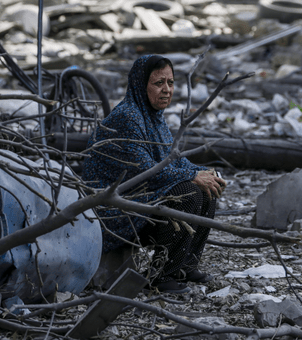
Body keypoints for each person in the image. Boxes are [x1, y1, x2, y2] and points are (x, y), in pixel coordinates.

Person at [82, 55, 226, 293]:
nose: (167, 90)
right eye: (159, 83)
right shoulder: (128, 117)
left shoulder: (154, 118)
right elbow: (148, 170)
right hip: (115, 212)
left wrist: (203, 172)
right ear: (141, 85)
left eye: (170, 82)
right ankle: (161, 275)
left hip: (141, 199)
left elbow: (173, 160)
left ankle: (185, 266)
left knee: (207, 188)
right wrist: (192, 177)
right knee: (187, 192)